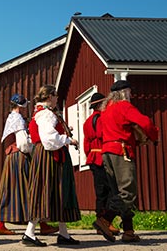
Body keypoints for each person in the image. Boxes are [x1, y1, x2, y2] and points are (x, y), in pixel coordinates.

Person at [95, 80, 158, 243]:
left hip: (107, 151)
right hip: (120, 151)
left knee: (118, 192)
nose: (131, 95)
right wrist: (154, 136)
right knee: (128, 191)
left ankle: (128, 231)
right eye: (130, 91)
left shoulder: (105, 109)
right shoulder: (124, 106)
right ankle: (105, 220)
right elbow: (145, 122)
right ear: (124, 93)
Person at [22, 85, 81, 247]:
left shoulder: (44, 113)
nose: (57, 99)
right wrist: (68, 140)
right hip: (49, 156)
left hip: (51, 156)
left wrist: (64, 131)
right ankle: (29, 232)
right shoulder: (46, 114)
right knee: (44, 191)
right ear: (49, 97)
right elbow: (49, 139)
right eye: (55, 96)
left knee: (59, 191)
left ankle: (63, 233)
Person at [0, 94, 58, 236]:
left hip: (13, 157)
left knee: (11, 189)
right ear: (21, 106)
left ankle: (40, 224)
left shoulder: (12, 117)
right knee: (31, 190)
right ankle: (41, 224)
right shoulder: (17, 119)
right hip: (19, 157)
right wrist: (33, 149)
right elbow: (23, 142)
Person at [83, 92, 120, 236]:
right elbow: (105, 135)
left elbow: (86, 144)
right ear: (101, 104)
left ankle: (101, 222)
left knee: (100, 193)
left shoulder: (87, 121)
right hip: (102, 156)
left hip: (93, 157)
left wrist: (89, 155)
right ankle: (105, 222)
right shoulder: (102, 119)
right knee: (111, 190)